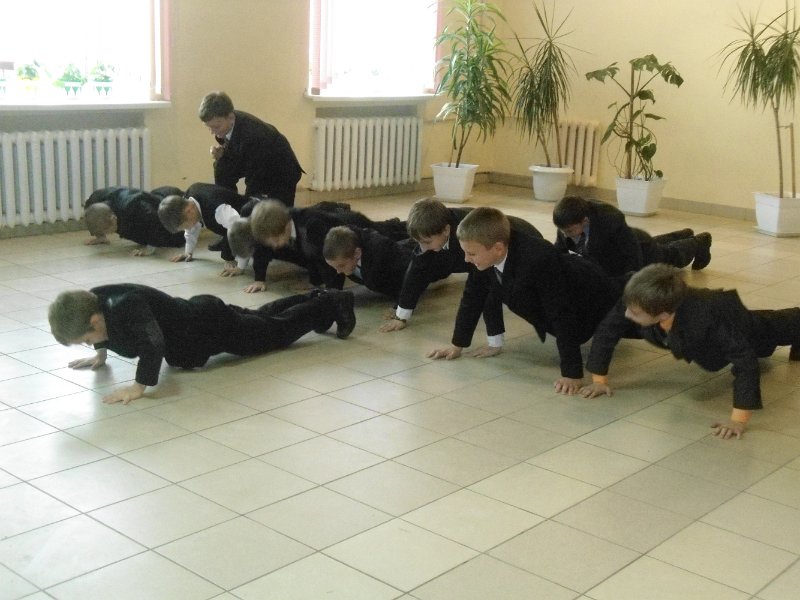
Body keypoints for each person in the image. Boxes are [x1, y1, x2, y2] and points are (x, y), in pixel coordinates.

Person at [580, 263, 800, 439]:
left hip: (738, 325)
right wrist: (599, 380)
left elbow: (745, 361)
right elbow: (608, 330)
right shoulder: (639, 297)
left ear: (663, 314)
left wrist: (738, 420)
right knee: (762, 339)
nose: (627, 314)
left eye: (634, 313)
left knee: (769, 332)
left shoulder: (709, 317)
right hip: (701, 332)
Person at [48, 284, 356, 405]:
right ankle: (316, 297)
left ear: (94, 321)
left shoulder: (125, 306)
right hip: (201, 314)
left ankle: (331, 302)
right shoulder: (94, 302)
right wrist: (100, 356)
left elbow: (153, 342)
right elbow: (107, 334)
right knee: (263, 319)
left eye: (87, 340)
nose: (90, 344)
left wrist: (138, 387)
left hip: (209, 327)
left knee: (275, 333)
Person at [428, 207, 622, 393]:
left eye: (471, 254)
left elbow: (561, 313)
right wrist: (457, 345)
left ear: (498, 248)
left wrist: (572, 374)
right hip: (570, 295)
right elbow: (473, 298)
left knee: (627, 310)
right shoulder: (484, 254)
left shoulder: (538, 258)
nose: (466, 259)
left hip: (596, 295)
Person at [380, 198, 543, 333]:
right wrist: (401, 314)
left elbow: (482, 288)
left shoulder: (468, 236)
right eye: (419, 242)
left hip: (524, 237)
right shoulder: (433, 232)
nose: (423, 248)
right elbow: (416, 273)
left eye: (427, 242)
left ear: (446, 230)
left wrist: (493, 339)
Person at [244, 199, 404, 293]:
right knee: (387, 229)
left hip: (356, 226)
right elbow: (310, 255)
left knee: (391, 235)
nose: (273, 246)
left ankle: (404, 226)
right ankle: (395, 225)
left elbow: (331, 259)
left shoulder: (312, 228)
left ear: (285, 227)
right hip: (336, 224)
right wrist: (259, 279)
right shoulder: (279, 225)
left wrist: (332, 293)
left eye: (274, 240)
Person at [552, 195, 713, 277]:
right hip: (622, 244)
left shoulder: (610, 220)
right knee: (658, 245)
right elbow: (559, 252)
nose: (565, 235)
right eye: (562, 231)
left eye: (569, 231)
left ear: (585, 221)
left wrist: (631, 282)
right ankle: (682, 234)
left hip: (638, 247)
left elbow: (632, 254)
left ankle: (698, 242)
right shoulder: (568, 222)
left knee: (669, 256)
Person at [199, 91, 304, 206]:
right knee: (221, 166)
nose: (212, 132)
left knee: (276, 212)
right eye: (208, 127)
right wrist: (222, 154)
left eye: (216, 127)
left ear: (230, 117)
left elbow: (254, 182)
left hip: (281, 170)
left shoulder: (253, 135)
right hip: (254, 160)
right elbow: (236, 148)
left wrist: (248, 206)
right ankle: (227, 205)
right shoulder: (227, 122)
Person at [157, 183, 248, 273]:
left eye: (186, 226)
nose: (188, 228)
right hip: (231, 225)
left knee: (230, 252)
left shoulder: (218, 209)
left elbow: (242, 232)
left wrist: (240, 267)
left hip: (250, 221)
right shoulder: (187, 201)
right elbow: (191, 230)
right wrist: (188, 252)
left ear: (189, 211)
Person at [322, 225, 417, 301]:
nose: (338, 271)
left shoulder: (380, 256)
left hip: (409, 261)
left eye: (341, 266)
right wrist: (330, 297)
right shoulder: (340, 252)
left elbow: (408, 280)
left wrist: (400, 308)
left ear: (357, 253)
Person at [83, 186, 185, 255]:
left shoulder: (134, 207)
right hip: (148, 201)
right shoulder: (94, 202)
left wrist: (150, 247)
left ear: (114, 218)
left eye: (107, 231)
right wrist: (100, 236)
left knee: (176, 238)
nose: (110, 234)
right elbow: (93, 217)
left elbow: (155, 221)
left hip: (170, 204)